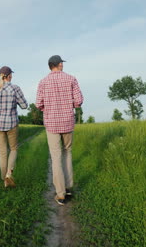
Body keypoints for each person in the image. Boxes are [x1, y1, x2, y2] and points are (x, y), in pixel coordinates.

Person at [36, 55, 83, 205]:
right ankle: (68, 187)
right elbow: (79, 100)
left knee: (55, 157)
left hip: (51, 124)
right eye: (62, 62)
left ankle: (61, 194)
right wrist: (72, 106)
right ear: (58, 65)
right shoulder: (71, 79)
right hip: (67, 122)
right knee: (67, 152)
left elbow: (38, 103)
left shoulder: (43, 82)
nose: (63, 64)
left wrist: (46, 109)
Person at [0, 66, 28, 188]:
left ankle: (3, 178)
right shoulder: (15, 88)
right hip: (11, 123)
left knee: (2, 152)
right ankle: (9, 175)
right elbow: (25, 106)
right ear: (9, 75)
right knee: (14, 149)